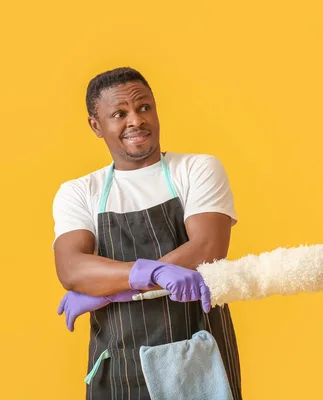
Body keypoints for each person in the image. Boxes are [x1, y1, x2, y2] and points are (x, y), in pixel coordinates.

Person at [52, 67, 242, 399]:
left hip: (199, 357)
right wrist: (152, 272)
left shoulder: (197, 169)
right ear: (96, 125)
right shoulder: (80, 192)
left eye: (144, 108)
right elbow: (71, 268)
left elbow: (207, 249)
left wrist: (110, 291)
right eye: (119, 113)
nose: (136, 120)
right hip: (121, 368)